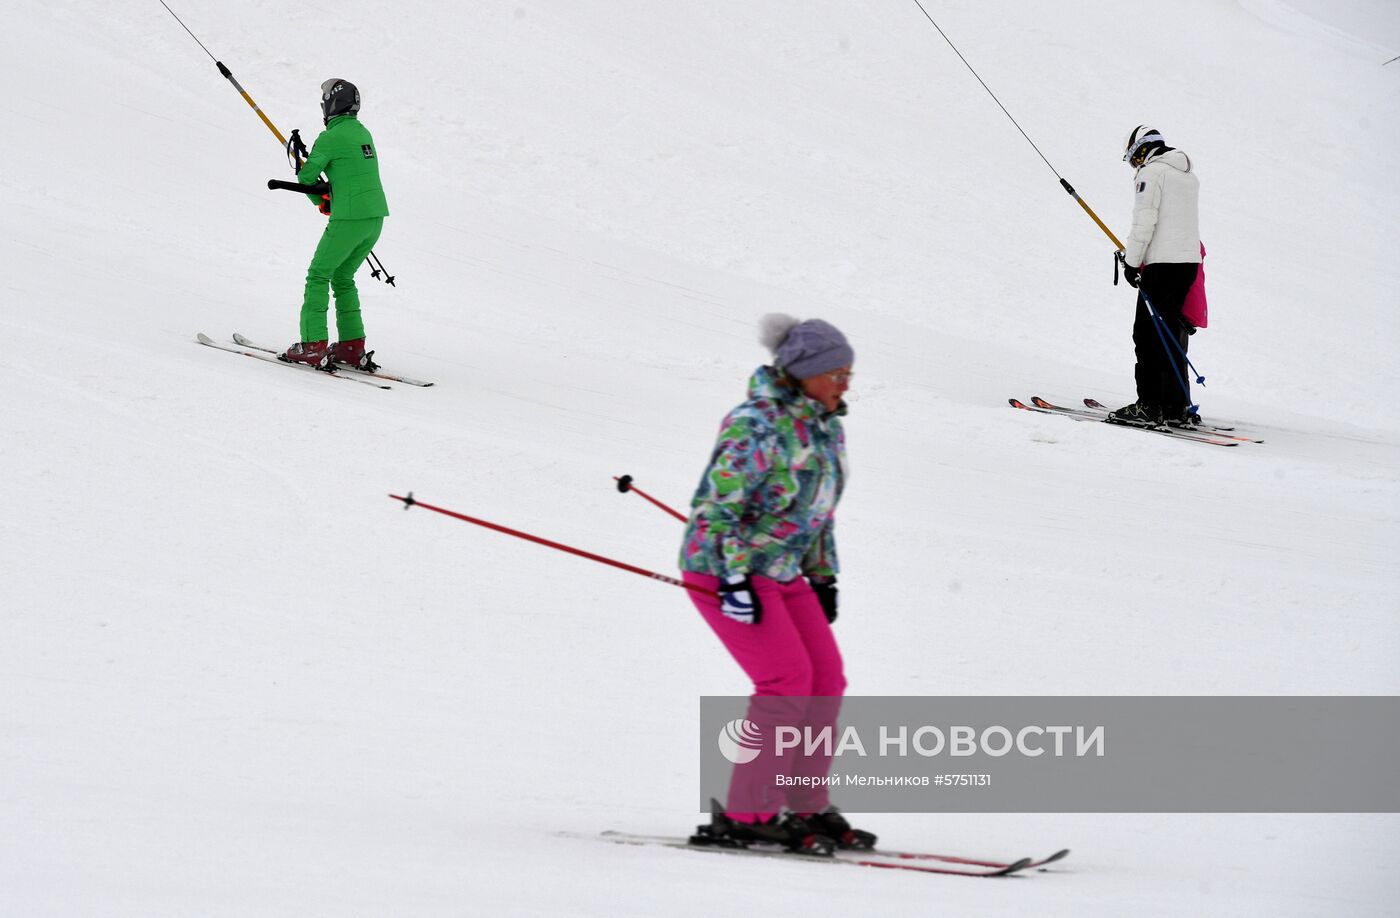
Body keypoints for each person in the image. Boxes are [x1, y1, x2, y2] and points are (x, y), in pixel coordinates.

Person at [680, 314, 874, 855]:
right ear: (802, 372)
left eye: (848, 373)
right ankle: (748, 814)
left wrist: (823, 576)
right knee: (786, 681)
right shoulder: (755, 424)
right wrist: (735, 577)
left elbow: (818, 511)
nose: (844, 383)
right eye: (834, 373)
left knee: (826, 680)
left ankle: (803, 804)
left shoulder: (824, 424)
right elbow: (716, 509)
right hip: (726, 568)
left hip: (786, 570)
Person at [280, 79, 389, 368]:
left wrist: (321, 200)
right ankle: (352, 346)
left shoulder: (329, 138)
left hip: (349, 219)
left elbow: (306, 178)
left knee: (318, 274)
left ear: (331, 104)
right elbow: (349, 174)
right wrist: (331, 199)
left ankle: (312, 344)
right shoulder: (362, 132)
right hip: (374, 220)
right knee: (343, 276)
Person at [1112, 125, 1201, 428]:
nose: (1134, 165)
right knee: (1170, 334)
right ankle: (1175, 405)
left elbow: (1144, 223)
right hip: (1188, 264)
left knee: (1147, 335)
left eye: (1133, 158)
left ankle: (1149, 406)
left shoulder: (1151, 175)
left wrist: (1132, 262)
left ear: (1140, 150)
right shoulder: (1187, 175)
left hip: (1162, 265)